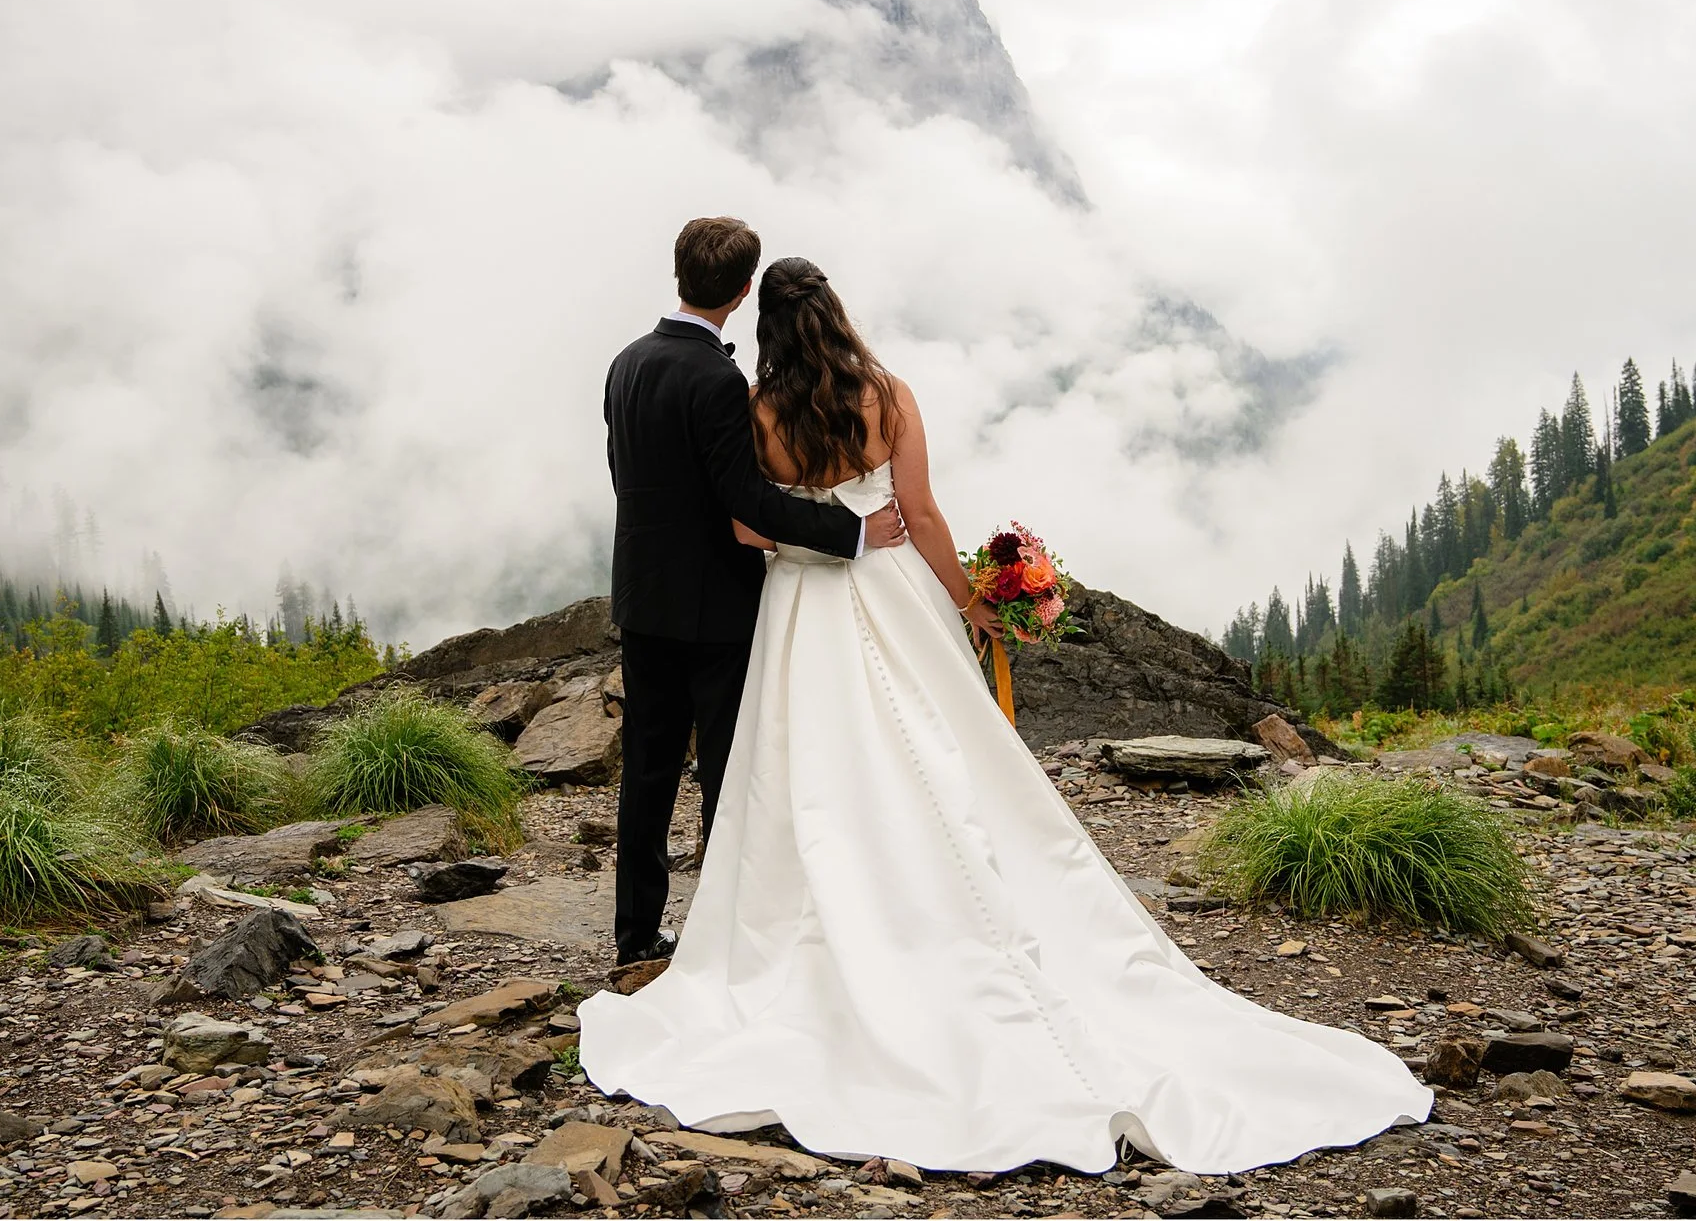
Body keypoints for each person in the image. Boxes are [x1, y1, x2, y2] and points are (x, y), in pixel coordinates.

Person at [581, 256, 1433, 1175]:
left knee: (801, 766)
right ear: (833, 311)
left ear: (767, 326)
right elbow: (921, 513)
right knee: (941, 749)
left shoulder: (760, 412)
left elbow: (748, 524)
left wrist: (804, 536)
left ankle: (792, 921)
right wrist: (968, 600)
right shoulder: (888, 395)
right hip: (892, 591)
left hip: (798, 607)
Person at [601, 218, 909, 968]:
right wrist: (854, 532)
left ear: (679, 272)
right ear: (742, 293)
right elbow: (747, 501)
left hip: (642, 597)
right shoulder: (718, 381)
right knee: (727, 772)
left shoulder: (625, 363)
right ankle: (723, 928)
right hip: (716, 605)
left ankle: (635, 934)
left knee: (646, 770)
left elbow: (625, 475)